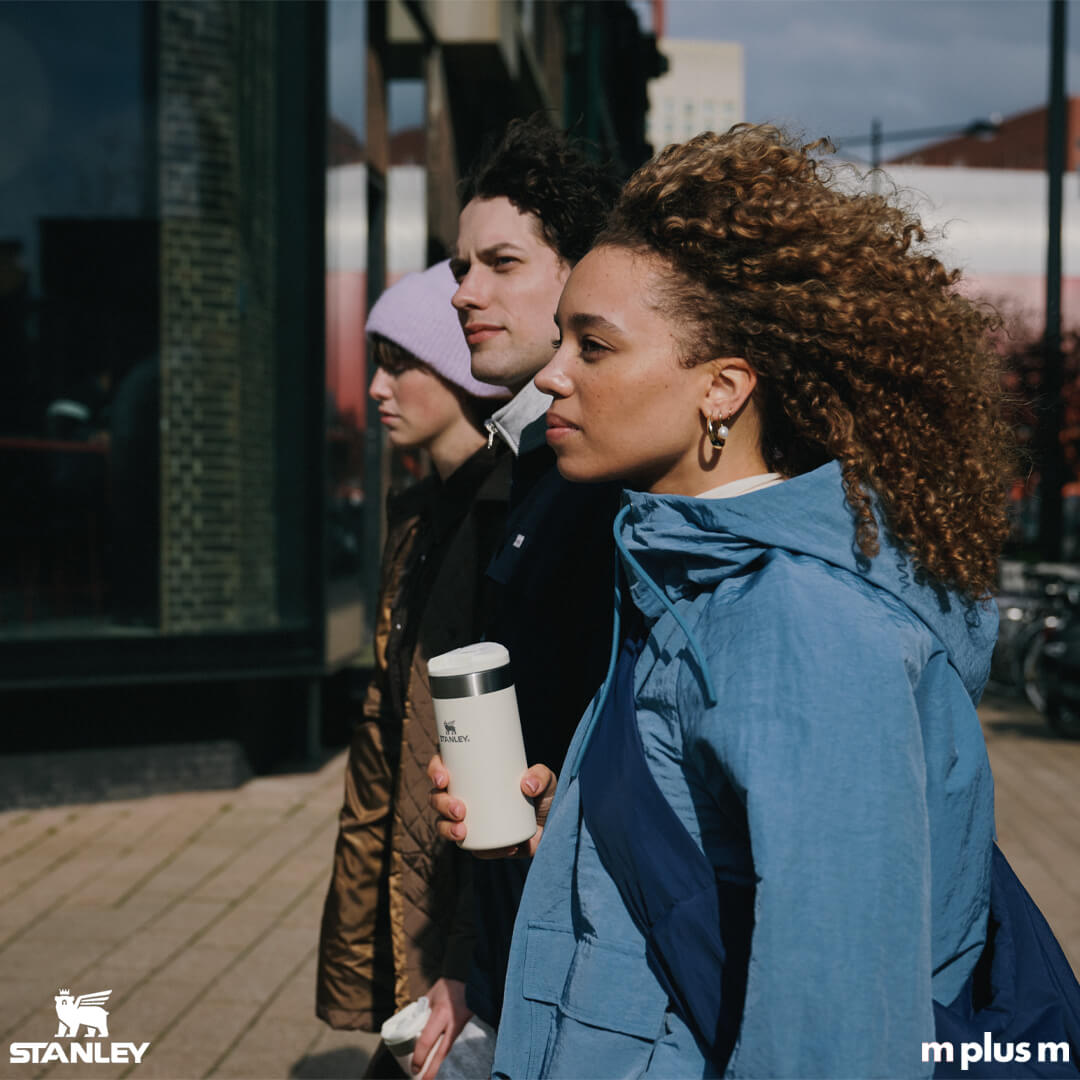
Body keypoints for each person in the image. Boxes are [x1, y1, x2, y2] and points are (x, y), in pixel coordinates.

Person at [436, 124, 1037, 1077]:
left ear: (723, 389)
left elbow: (837, 1036)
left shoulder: (802, 629)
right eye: (561, 340)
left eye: (593, 345)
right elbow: (718, 890)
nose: (554, 374)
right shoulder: (683, 574)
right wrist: (573, 842)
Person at [416, 116, 621, 1062]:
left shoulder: (608, 481)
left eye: (499, 263)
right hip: (518, 942)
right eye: (460, 267)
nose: (463, 292)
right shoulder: (521, 460)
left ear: (581, 276)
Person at [315, 261, 510, 1078]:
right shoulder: (418, 513)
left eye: (401, 364)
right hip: (417, 875)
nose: (378, 388)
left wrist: (465, 952)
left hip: (467, 885)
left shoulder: (499, 517)